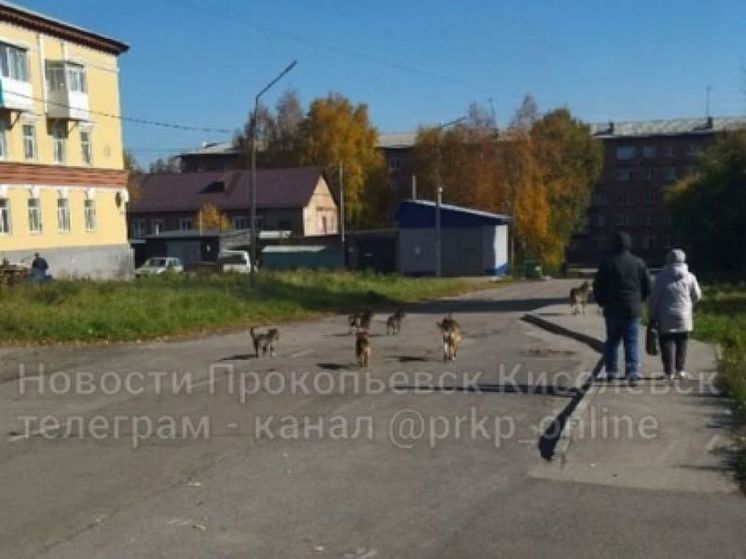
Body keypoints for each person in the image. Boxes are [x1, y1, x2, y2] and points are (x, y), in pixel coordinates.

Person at [593, 232, 651, 385]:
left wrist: (601, 301)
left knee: (612, 341)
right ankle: (632, 373)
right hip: (632, 308)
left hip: (612, 309)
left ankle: (611, 372)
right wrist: (642, 299)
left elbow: (598, 285)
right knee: (631, 341)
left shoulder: (608, 262)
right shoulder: (639, 263)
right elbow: (647, 285)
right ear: (629, 244)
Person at [648, 249, 701, 380]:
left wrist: (652, 314)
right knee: (682, 341)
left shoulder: (661, 277)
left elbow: (655, 298)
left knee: (666, 342)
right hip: (684, 315)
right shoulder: (690, 277)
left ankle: (669, 372)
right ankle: (680, 370)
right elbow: (697, 295)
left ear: (668, 260)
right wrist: (689, 306)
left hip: (665, 315)